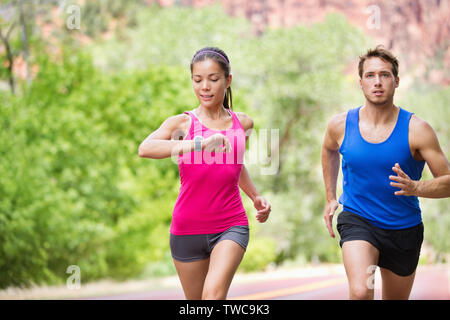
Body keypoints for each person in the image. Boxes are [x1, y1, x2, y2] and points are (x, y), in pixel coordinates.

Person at [138, 47, 271, 300]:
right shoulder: (181, 124)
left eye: (213, 79)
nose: (205, 87)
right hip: (187, 228)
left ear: (228, 80)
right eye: (198, 80)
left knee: (213, 295)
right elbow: (145, 148)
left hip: (230, 224)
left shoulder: (243, 123)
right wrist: (198, 144)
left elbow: (234, 164)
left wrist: (255, 196)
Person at [321, 45, 450, 300]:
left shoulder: (418, 129)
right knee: (360, 292)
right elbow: (328, 150)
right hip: (358, 220)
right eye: (370, 75)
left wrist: (416, 187)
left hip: (403, 229)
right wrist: (330, 196)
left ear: (397, 81)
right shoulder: (340, 125)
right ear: (360, 82)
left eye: (385, 75)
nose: (377, 82)